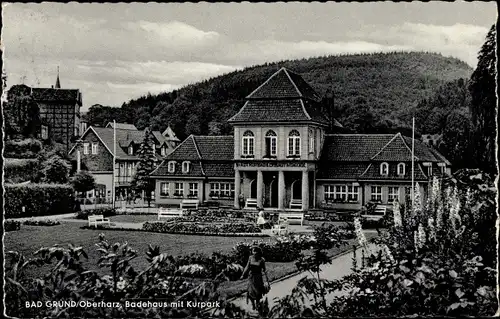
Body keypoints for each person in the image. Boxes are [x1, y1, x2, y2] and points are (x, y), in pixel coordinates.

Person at [240, 246, 270, 313]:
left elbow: (264, 270)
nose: (254, 253)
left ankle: (257, 304)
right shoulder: (250, 258)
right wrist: (243, 275)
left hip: (258, 278)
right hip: (251, 277)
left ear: (258, 252)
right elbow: (247, 267)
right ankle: (253, 304)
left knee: (258, 293)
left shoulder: (262, 260)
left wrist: (266, 280)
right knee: (250, 292)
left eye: (255, 251)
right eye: (253, 251)